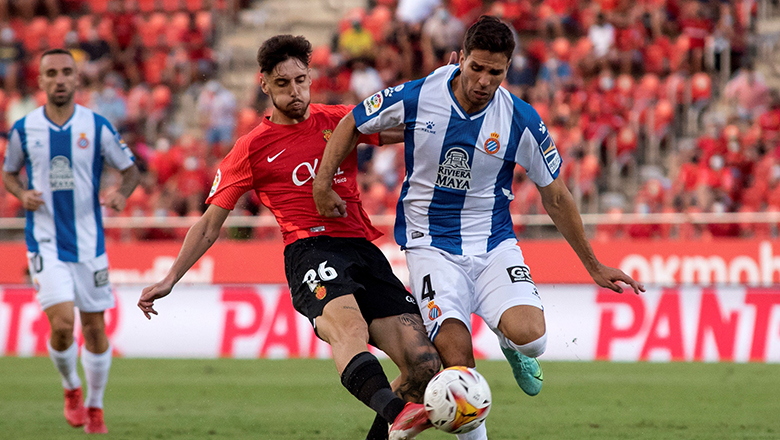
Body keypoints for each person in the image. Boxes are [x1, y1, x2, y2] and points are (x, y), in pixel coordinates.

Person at [313, 16, 645, 440]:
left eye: (496, 72)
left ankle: (512, 346)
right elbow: (352, 122)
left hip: (493, 244)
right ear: (461, 59)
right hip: (430, 245)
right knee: (457, 363)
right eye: (477, 68)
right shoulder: (420, 95)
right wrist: (322, 184)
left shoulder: (520, 120)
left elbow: (556, 195)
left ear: (508, 69)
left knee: (533, 338)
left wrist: (594, 265)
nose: (484, 81)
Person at [136, 35, 440, 440]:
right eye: (283, 84)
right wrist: (171, 277)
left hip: (362, 249)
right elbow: (209, 224)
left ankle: (394, 419)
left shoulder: (340, 120)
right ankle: (397, 412)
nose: (295, 92)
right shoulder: (251, 149)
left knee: (424, 365)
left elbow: (405, 130)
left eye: (300, 80)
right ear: (264, 84)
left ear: (311, 76)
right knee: (350, 329)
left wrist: (445, 92)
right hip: (309, 250)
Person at [2, 48, 140, 434]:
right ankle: (70, 389)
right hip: (45, 242)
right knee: (62, 324)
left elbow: (130, 171)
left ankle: (95, 406)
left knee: (95, 330)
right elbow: (9, 172)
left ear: (77, 79)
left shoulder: (96, 126)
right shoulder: (24, 130)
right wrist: (20, 193)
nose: (60, 79)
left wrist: (121, 194)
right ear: (41, 81)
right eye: (52, 73)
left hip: (89, 244)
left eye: (67, 72)